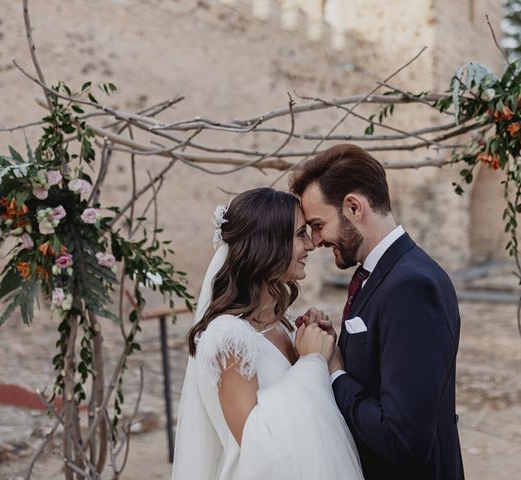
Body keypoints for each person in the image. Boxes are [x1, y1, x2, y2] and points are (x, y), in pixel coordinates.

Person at [289, 144, 465, 480]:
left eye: (318, 224)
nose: (314, 240)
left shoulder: (411, 286)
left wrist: (335, 373)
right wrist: (333, 347)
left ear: (354, 207)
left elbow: (404, 440)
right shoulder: (383, 273)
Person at [172, 188, 364, 480]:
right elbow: (257, 443)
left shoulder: (280, 324)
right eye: (300, 234)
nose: (312, 244)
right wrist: (311, 363)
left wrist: (317, 349)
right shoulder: (227, 337)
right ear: (268, 244)